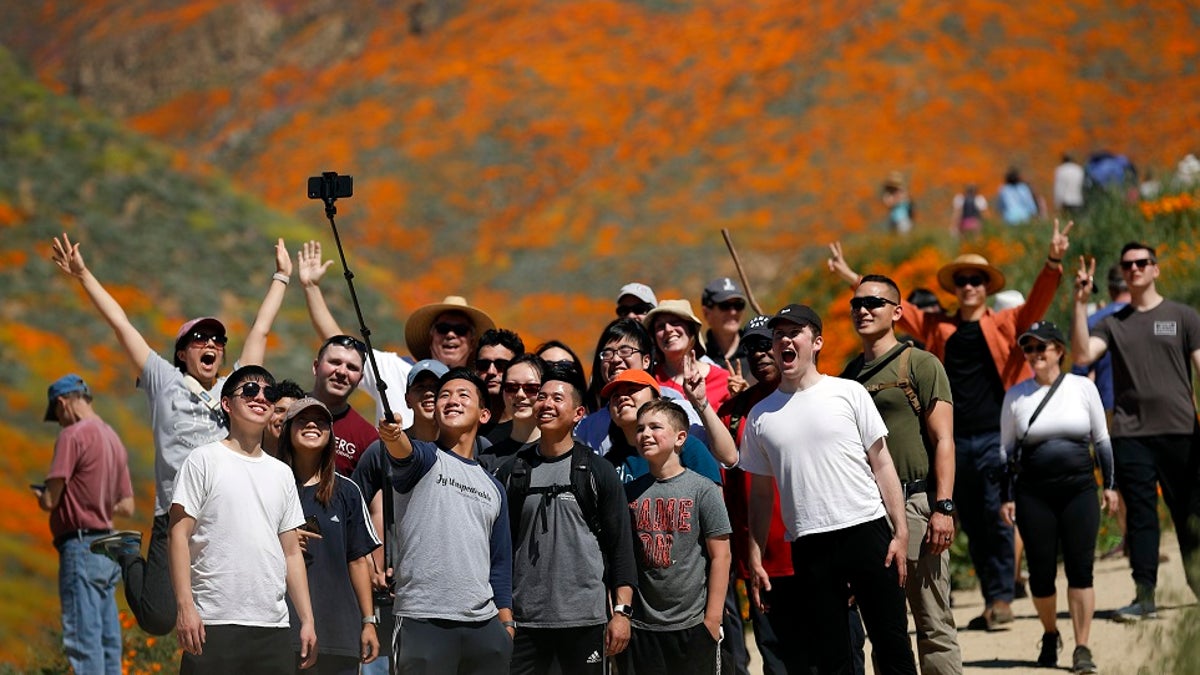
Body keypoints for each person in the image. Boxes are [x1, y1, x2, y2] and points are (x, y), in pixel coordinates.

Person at [828, 223, 1070, 630]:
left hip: (994, 433)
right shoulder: (940, 328)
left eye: (976, 280)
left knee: (995, 516)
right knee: (969, 519)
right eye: (962, 281)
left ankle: (1001, 596)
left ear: (986, 287)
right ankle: (995, 595)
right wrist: (854, 278)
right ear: (956, 288)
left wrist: (1053, 262)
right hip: (951, 439)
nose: (969, 286)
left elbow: (1038, 304)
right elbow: (897, 311)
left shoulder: (1007, 322)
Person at [51, 233, 288, 635]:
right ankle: (128, 555)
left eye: (217, 340)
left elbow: (260, 333)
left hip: (223, 515)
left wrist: (281, 277)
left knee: (216, 617)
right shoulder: (163, 380)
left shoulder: (238, 389)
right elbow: (120, 323)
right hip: (175, 514)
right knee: (159, 617)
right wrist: (84, 274)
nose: (211, 344)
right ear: (182, 352)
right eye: (200, 339)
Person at [742, 304, 916, 674]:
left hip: (867, 528)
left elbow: (882, 463)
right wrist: (755, 554)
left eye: (795, 332)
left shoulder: (849, 392)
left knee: (892, 642)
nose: (784, 340)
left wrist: (900, 530)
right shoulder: (760, 416)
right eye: (778, 334)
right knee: (833, 653)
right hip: (809, 541)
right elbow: (758, 495)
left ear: (816, 341)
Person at [1070, 243, 1200, 621]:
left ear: (1155, 269)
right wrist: (1079, 303)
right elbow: (1081, 355)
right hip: (1131, 435)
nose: (1135, 268)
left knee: (1190, 514)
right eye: (1127, 264)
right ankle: (1145, 596)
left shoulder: (1183, 316)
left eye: (1142, 262)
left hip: (1181, 432)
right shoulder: (1112, 322)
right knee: (1141, 518)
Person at [840, 275, 962, 673]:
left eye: (874, 302)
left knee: (932, 621)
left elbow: (943, 439)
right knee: (885, 628)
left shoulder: (921, 363)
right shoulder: (848, 377)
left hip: (916, 503)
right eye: (857, 303)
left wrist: (942, 506)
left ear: (897, 312)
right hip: (867, 512)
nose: (863, 309)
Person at [168, 365, 317, 673]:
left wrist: (307, 620)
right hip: (213, 623)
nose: (260, 397)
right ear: (226, 404)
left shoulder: (282, 473)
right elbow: (178, 536)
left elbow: (291, 552)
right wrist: (185, 607)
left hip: (273, 628)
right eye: (249, 390)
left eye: (269, 393)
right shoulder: (203, 459)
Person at [494, 364, 638, 674]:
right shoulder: (513, 472)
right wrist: (504, 615)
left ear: (578, 413)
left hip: (586, 620)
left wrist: (621, 613)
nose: (546, 404)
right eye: (541, 397)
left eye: (557, 398)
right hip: (525, 623)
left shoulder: (598, 471)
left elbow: (620, 547)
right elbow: (499, 550)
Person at [376, 369, 514, 674]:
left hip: (485, 628)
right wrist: (393, 434)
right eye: (444, 395)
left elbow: (500, 564)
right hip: (423, 621)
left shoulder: (494, 487)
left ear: (485, 414)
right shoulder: (423, 458)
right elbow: (401, 450)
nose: (451, 400)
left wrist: (506, 627)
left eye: (463, 394)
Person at [998, 322, 1116, 673]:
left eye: (1041, 348)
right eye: (1029, 349)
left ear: (1059, 351)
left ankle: (1082, 647)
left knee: (1081, 570)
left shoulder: (1082, 388)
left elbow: (1103, 439)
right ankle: (1050, 633)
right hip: (1034, 494)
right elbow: (1005, 452)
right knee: (1042, 575)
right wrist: (1007, 497)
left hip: (1079, 490)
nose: (1034, 355)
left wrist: (1109, 485)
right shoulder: (1015, 396)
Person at [298, 239, 497, 426]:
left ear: (472, 341)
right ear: (431, 336)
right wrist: (311, 287)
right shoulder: (395, 369)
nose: (451, 335)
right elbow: (339, 345)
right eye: (443, 328)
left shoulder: (481, 387)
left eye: (460, 330)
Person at [350, 358, 448, 675]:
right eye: (421, 387)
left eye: (437, 388)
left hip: (452, 597)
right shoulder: (381, 450)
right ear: (407, 398)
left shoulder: (471, 451)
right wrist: (371, 561)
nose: (429, 393)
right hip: (394, 596)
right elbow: (354, 508)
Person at [625, 399, 732, 675]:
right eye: (640, 429)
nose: (645, 434)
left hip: (693, 624)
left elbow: (721, 555)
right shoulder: (629, 493)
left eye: (655, 427)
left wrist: (712, 618)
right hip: (644, 626)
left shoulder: (702, 489)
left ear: (680, 437)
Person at [38, 374, 134, 675]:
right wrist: (98, 500)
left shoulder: (73, 435)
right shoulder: (112, 438)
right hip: (107, 548)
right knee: (108, 641)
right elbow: (128, 506)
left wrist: (43, 497)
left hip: (79, 546)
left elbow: (52, 499)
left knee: (84, 640)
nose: (60, 422)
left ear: (63, 403)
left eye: (57, 415)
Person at [716, 315, 796, 675]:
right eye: (751, 347)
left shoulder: (812, 397)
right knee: (774, 654)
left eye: (767, 343)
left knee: (833, 649)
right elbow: (727, 488)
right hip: (760, 558)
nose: (760, 353)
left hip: (814, 550)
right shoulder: (731, 413)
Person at [278, 397, 382, 674]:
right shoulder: (271, 484)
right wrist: (280, 543)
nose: (312, 424)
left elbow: (359, 561)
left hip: (339, 631)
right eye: (302, 419)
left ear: (331, 435)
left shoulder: (348, 491)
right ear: (287, 430)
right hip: (281, 630)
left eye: (321, 421)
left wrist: (368, 621)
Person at [579, 318, 702, 449]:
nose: (615, 359)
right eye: (607, 353)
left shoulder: (675, 403)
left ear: (646, 361)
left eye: (625, 351)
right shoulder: (588, 427)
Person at [595, 369, 730, 484]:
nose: (622, 398)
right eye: (615, 395)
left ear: (657, 401)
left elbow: (713, 508)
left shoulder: (686, 446)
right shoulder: (608, 464)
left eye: (632, 390)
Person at [646, 300, 732, 417]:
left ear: (691, 329)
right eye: (660, 326)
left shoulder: (724, 380)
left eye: (675, 322)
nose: (668, 329)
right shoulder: (648, 380)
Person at [310, 334, 380, 475]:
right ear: (316, 367)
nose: (342, 372)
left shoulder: (368, 437)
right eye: (335, 362)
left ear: (360, 379)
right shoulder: (285, 409)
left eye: (352, 367)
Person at [477, 355, 544, 472]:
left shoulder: (565, 449)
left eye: (531, 388)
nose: (520, 394)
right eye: (511, 387)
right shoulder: (487, 459)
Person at [700, 276, 755, 394]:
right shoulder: (700, 361)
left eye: (738, 305)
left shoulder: (757, 353)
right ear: (706, 313)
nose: (733, 312)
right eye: (724, 306)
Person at [476, 328, 526, 438]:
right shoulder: (467, 426)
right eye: (483, 365)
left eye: (501, 365)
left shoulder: (532, 427)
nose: (491, 372)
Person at [264, 380, 307, 458]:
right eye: (278, 411)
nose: (284, 418)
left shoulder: (302, 465)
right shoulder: (244, 453)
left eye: (292, 412)